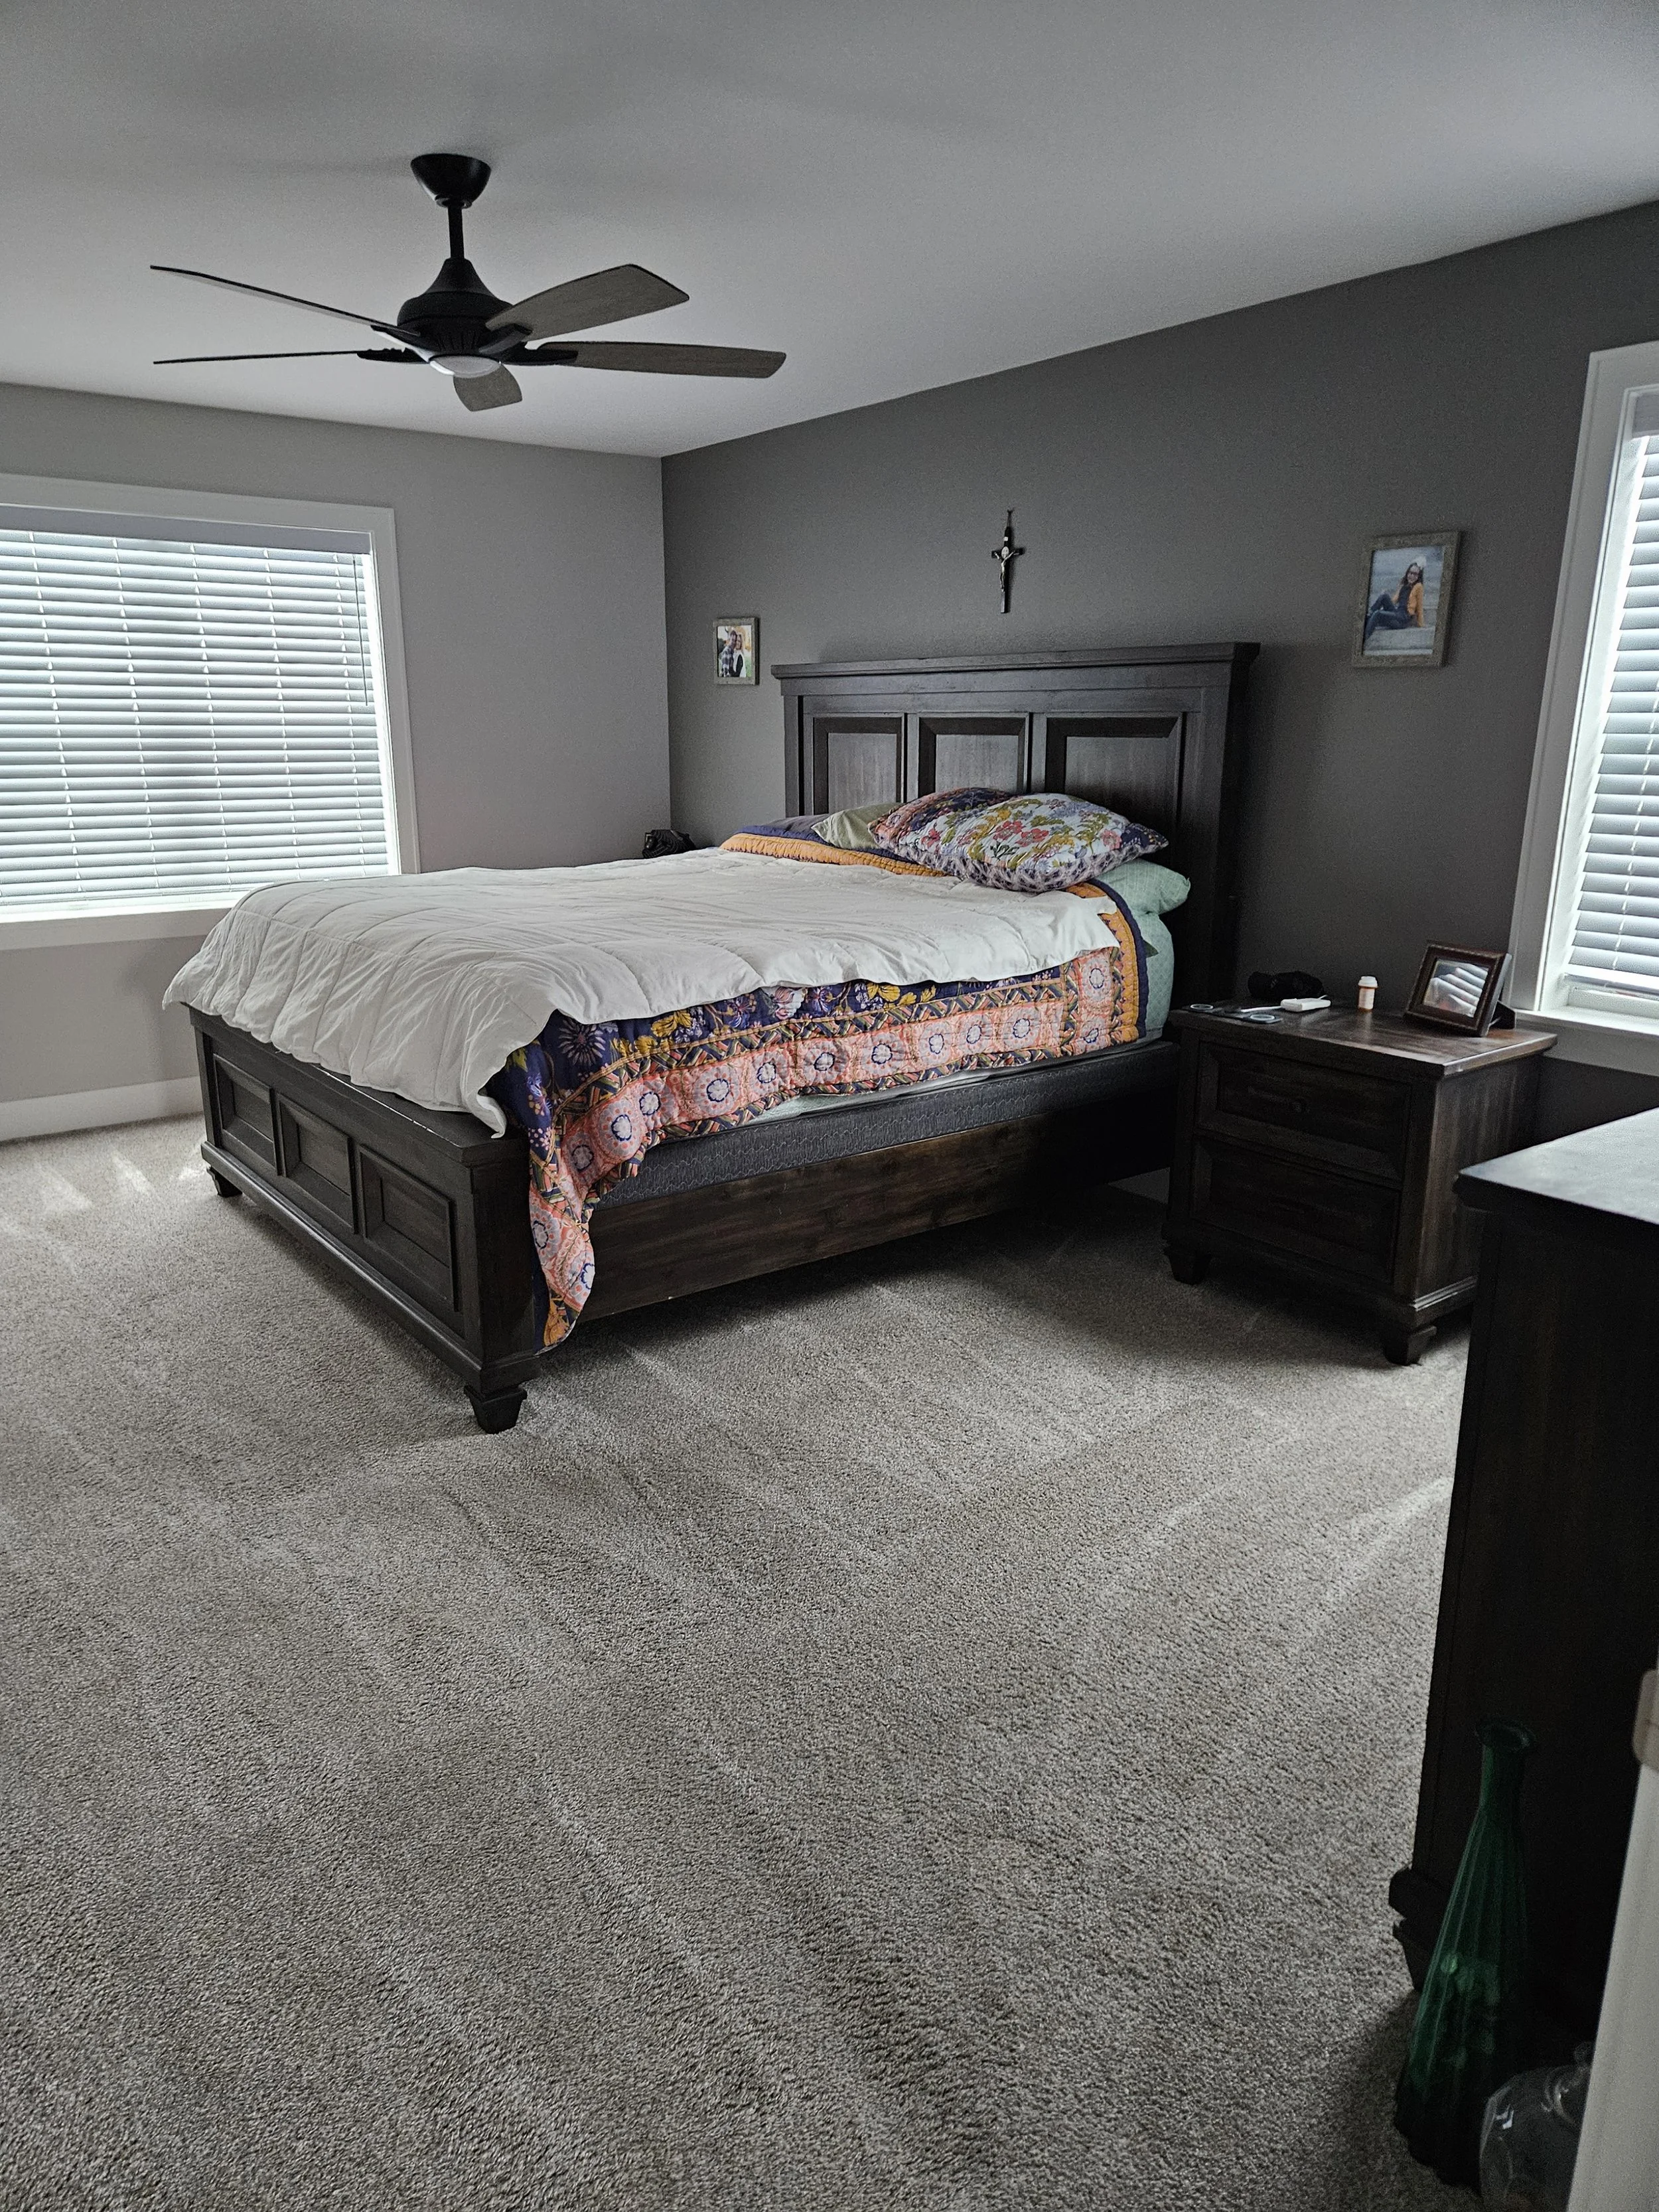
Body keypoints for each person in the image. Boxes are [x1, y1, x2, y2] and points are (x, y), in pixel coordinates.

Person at [1366, 559, 1427, 641]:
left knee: (1377, 614)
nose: (1412, 576)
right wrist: (1383, 596)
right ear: (1407, 573)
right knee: (1384, 596)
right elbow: (1393, 601)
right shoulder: (1403, 586)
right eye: (1410, 573)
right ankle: (1369, 615)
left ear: (1419, 576)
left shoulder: (1418, 587)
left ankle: (1364, 637)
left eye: (1415, 574)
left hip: (1403, 619)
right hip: (1397, 613)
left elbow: (1419, 606)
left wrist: (1421, 624)